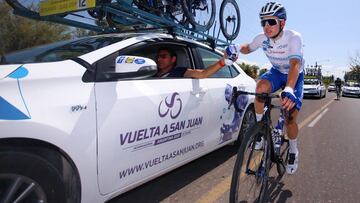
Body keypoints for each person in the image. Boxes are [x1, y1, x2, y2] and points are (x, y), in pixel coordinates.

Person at [226, 2, 304, 174]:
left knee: (290, 117)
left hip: (293, 74)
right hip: (276, 72)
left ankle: (293, 149)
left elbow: (295, 65)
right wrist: (237, 47)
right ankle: (261, 130)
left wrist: (289, 89)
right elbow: (248, 48)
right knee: (260, 87)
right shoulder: (263, 39)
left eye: (271, 22)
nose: (266, 26)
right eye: (263, 22)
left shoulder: (294, 37)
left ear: (282, 23)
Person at [155, 46, 229, 78]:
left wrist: (223, 61)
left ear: (173, 59)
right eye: (158, 57)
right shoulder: (152, 71)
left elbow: (203, 73)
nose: (159, 59)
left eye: (163, 56)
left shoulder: (179, 72)